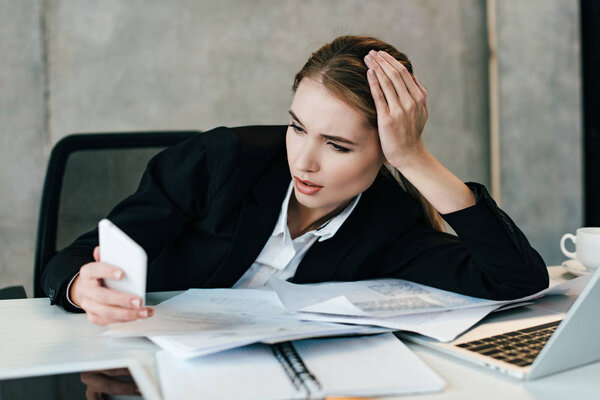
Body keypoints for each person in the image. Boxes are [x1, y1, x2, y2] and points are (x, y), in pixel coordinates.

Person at [41, 35, 548, 326]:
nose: (303, 161)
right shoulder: (222, 162)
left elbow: (514, 279)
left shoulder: (389, 220)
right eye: (297, 127)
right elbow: (75, 258)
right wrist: (80, 287)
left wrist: (416, 160)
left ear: (385, 151)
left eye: (338, 145)